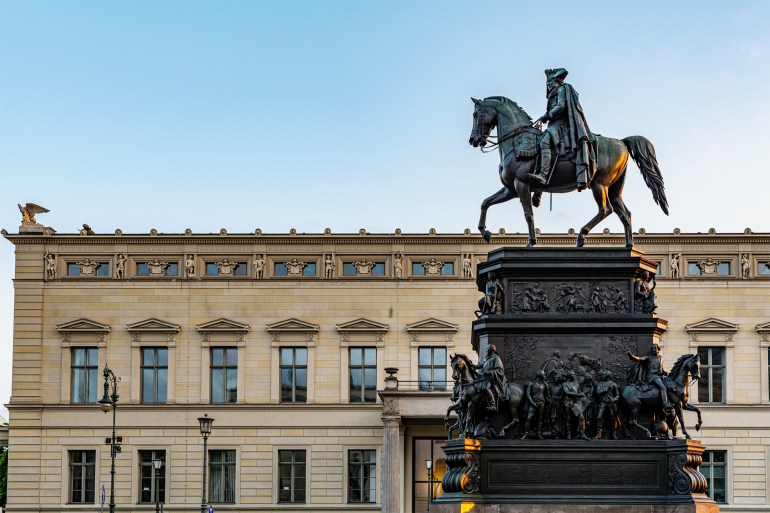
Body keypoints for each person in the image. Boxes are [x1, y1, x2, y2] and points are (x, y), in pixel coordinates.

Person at [528, 68, 596, 191]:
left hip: (561, 125)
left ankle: (543, 175)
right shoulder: (553, 95)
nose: (548, 86)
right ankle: (539, 189)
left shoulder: (561, 89)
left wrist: (547, 115)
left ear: (556, 81)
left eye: (550, 83)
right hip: (554, 124)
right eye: (547, 84)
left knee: (544, 142)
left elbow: (561, 106)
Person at [627, 344, 670, 409]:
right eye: (652, 349)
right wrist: (632, 356)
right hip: (652, 376)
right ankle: (665, 404)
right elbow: (640, 359)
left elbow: (661, 369)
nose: (653, 350)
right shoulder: (649, 357)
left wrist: (664, 372)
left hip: (659, 376)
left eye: (654, 348)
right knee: (663, 387)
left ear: (658, 349)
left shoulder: (660, 358)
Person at [474, 344, 509, 412]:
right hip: (485, 377)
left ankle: (493, 405)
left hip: (492, 378)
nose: (487, 351)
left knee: (487, 388)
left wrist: (489, 372)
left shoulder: (496, 358)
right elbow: (481, 365)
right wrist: (473, 366)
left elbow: (500, 370)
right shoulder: (487, 358)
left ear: (491, 350)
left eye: (488, 350)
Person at [521, 371, 549, 439]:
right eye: (543, 374)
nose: (544, 375)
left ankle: (539, 434)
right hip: (533, 402)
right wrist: (532, 403)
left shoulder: (544, 384)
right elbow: (528, 394)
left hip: (542, 402)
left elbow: (547, 395)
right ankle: (526, 434)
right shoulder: (531, 383)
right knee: (529, 418)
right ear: (539, 375)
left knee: (540, 419)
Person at [593, 370, 620, 440]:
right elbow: (598, 392)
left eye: (603, 375)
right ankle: (598, 433)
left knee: (612, 418)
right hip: (603, 403)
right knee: (599, 417)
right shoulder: (600, 383)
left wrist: (614, 399)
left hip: (611, 403)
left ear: (607, 375)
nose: (602, 376)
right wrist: (605, 390)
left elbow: (617, 395)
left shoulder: (613, 384)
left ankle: (614, 433)